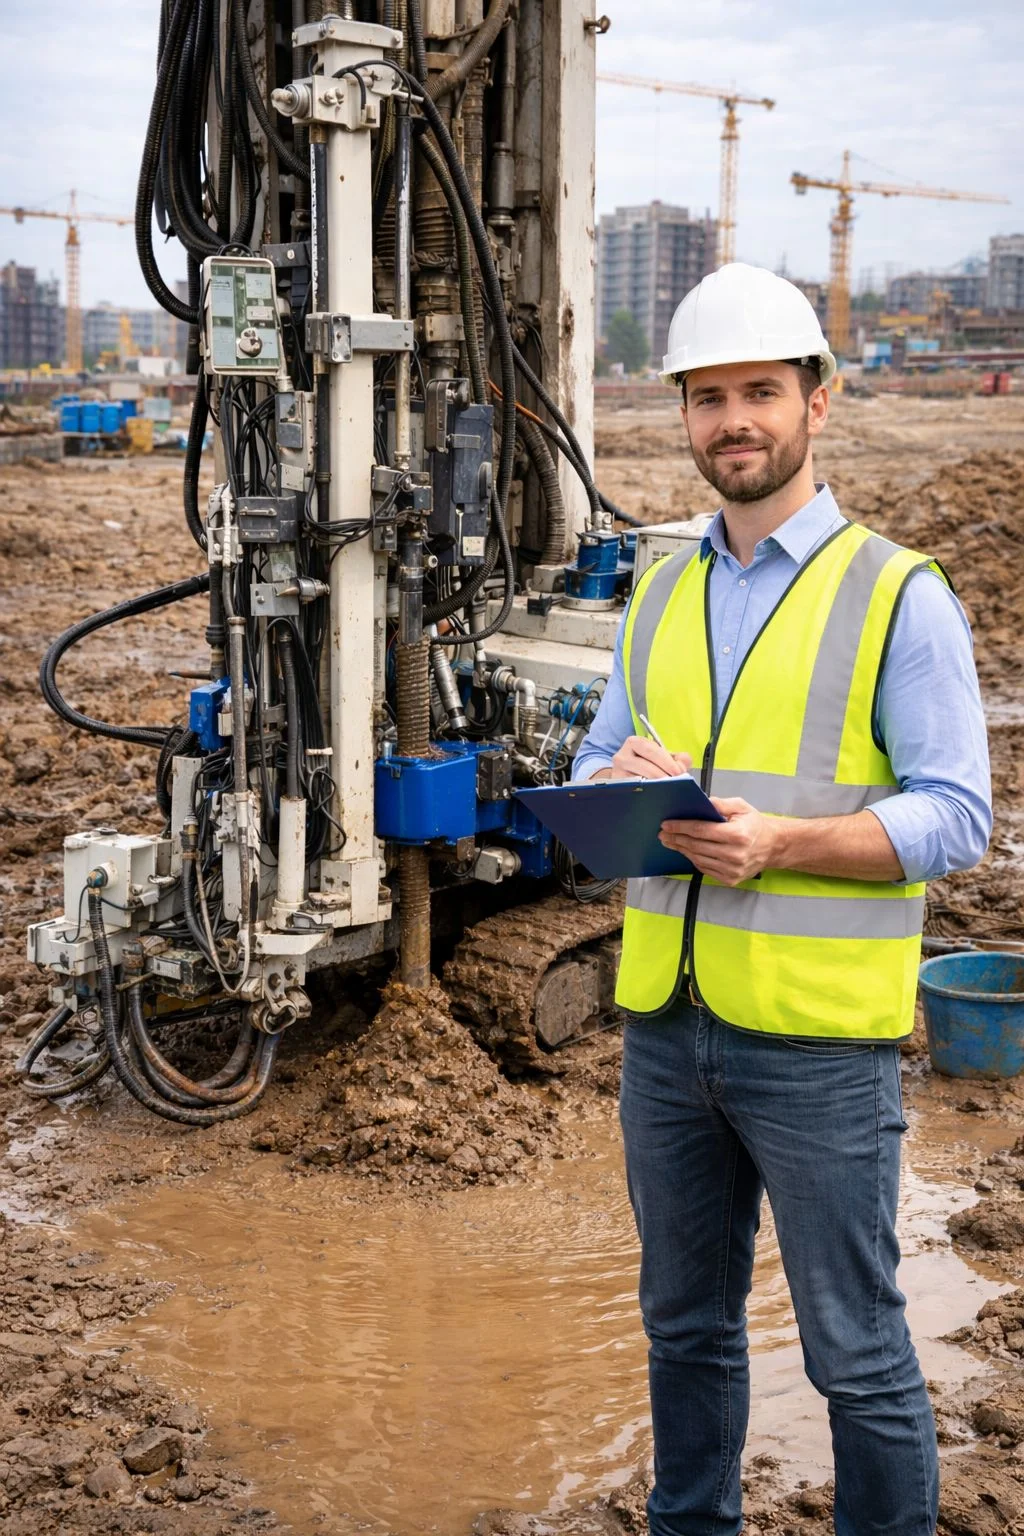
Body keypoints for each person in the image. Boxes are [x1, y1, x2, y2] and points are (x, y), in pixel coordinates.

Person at [572, 263, 992, 1536]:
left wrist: (788, 842)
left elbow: (957, 817)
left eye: (759, 391)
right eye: (707, 399)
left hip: (815, 1043)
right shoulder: (660, 590)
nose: (733, 422)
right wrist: (613, 785)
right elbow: (589, 769)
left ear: (819, 400)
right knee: (683, 1329)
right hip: (666, 1028)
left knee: (854, 1351)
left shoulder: (897, 593)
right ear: (682, 416)